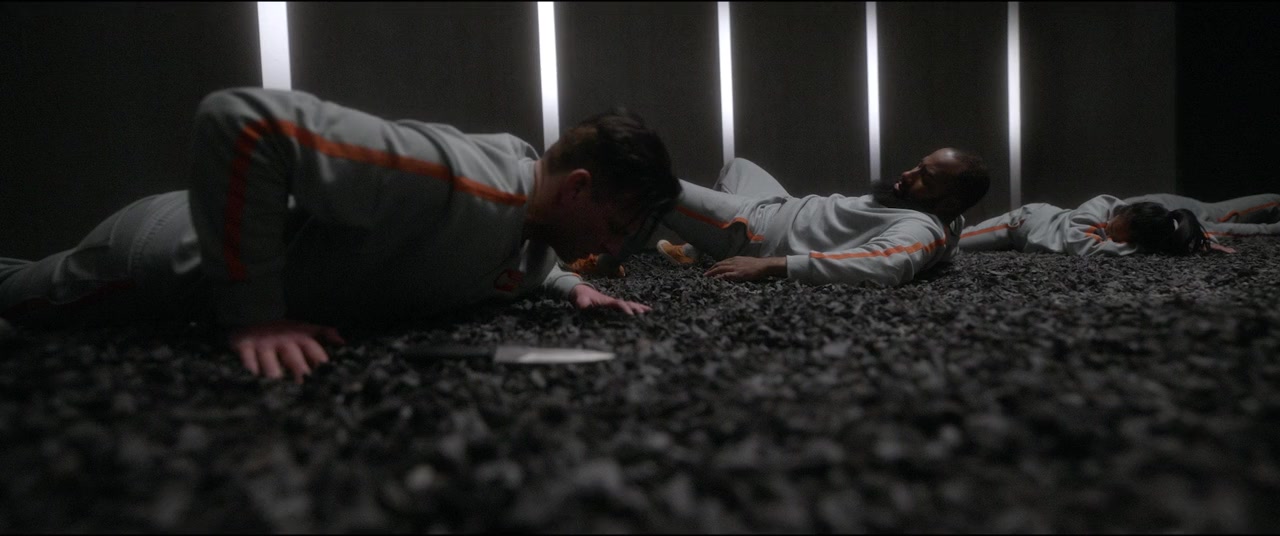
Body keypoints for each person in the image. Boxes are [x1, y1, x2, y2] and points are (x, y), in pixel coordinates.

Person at [0, 87, 681, 382]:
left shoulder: (533, 227)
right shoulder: (454, 179)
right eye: (614, 227)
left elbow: (500, 260)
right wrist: (255, 315)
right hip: (161, 260)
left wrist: (566, 286)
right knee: (18, 300)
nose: (613, 248)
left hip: (195, 263)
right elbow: (241, 121)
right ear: (577, 189)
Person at [653, 148, 990, 286]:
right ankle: (697, 250)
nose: (908, 173)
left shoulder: (922, 229)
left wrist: (772, 265)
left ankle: (617, 251)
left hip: (753, 232)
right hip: (782, 204)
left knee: (651, 185)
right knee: (738, 167)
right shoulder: (948, 219)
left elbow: (883, 265)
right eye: (918, 165)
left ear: (949, 202)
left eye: (925, 178)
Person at [957, 195, 1230, 256]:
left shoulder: (1149, 230)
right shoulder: (1098, 208)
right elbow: (1085, 248)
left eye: (1119, 241)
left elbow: (1179, 234)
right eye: (1113, 231)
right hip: (1023, 223)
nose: (1109, 237)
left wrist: (1198, 246)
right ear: (1123, 212)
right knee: (957, 243)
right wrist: (1138, 249)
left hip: (1026, 238)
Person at [1123, 193, 1280, 238]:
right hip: (1203, 215)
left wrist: (1270, 229)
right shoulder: (1163, 225)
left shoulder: (1128, 209)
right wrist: (1270, 229)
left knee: (1274, 201)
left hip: (1205, 211)